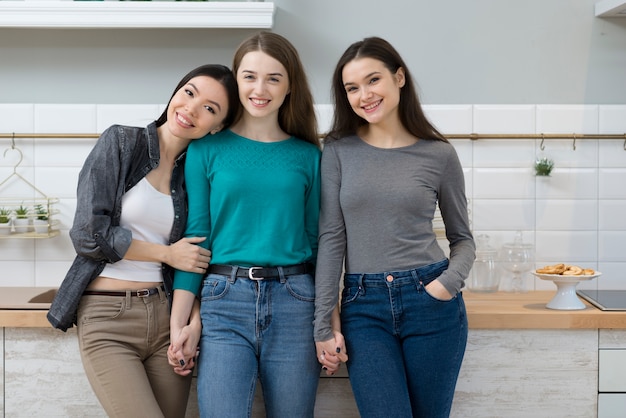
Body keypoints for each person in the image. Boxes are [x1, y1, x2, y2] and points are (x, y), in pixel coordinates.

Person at [47, 64, 239, 418]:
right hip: (108, 317)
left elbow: (195, 258)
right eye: (190, 92)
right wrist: (166, 253)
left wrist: (193, 321)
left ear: (220, 126)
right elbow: (88, 234)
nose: (192, 109)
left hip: (168, 318)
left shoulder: (196, 172)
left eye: (210, 108)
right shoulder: (121, 142)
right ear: (176, 91)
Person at [313, 36, 476, 418]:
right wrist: (323, 321)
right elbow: (331, 238)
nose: (364, 95)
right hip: (363, 306)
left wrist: (445, 286)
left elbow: (463, 240)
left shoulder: (438, 154)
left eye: (373, 80)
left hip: (430, 300)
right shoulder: (337, 150)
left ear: (399, 77)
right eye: (352, 88)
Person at [169, 31, 322, 418]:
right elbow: (196, 239)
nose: (260, 88)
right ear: (236, 81)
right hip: (223, 299)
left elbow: (318, 241)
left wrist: (328, 321)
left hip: (296, 302)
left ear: (289, 87)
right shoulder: (204, 150)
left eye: (274, 78)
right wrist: (181, 324)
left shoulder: (309, 156)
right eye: (250, 76)